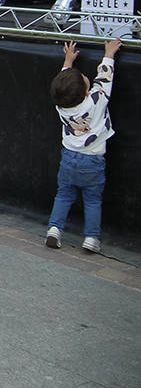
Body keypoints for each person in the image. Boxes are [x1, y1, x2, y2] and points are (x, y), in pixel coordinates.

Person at [45, 39, 119, 254]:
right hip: (93, 161)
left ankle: (54, 229)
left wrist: (68, 61)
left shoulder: (61, 105)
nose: (87, 77)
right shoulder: (97, 99)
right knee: (93, 200)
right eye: (85, 79)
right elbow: (105, 77)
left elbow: (63, 85)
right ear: (87, 91)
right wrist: (109, 53)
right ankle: (91, 238)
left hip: (69, 158)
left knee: (64, 195)